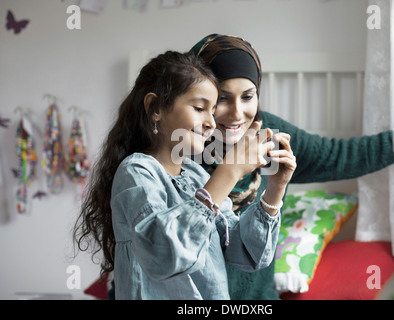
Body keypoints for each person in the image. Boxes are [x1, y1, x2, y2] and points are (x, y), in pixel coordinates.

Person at [188, 33, 394, 300]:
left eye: (248, 97)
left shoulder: (270, 136)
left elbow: (341, 156)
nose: (236, 113)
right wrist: (230, 170)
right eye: (222, 98)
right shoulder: (176, 148)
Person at [72, 50, 297, 299]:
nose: (212, 122)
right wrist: (229, 170)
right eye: (200, 108)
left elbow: (245, 253)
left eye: (212, 111)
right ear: (155, 107)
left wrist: (276, 190)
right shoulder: (136, 173)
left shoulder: (194, 176)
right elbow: (164, 256)